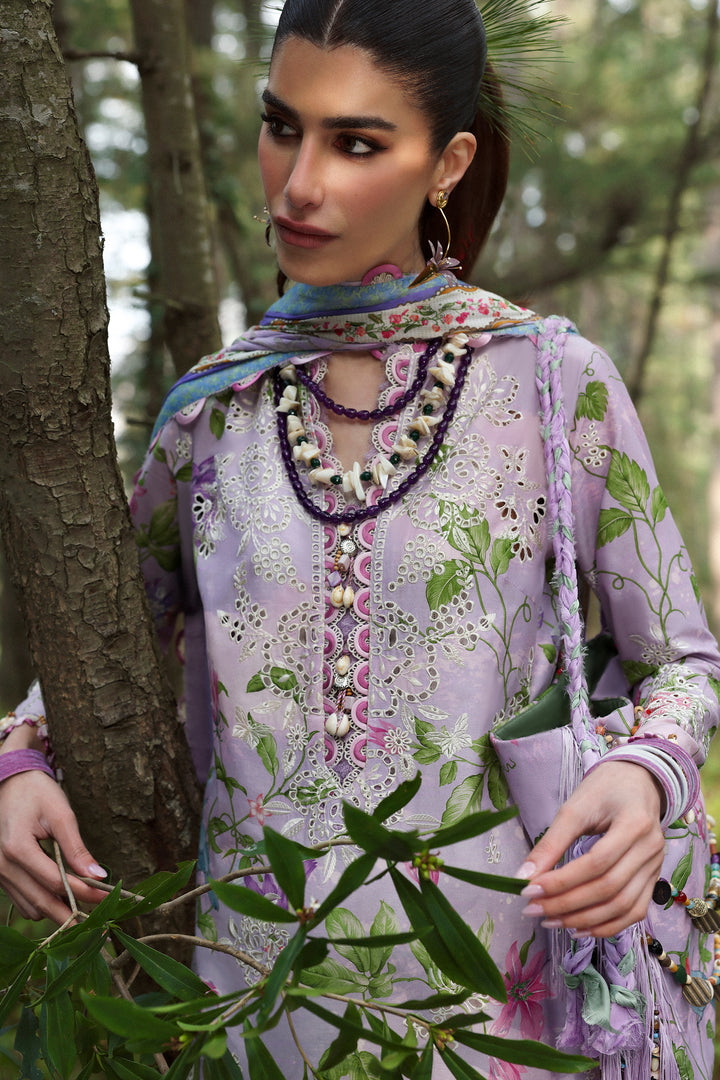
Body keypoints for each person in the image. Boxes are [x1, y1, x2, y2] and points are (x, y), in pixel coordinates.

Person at [0, 1, 718, 1077]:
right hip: (258, 991)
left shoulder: (552, 380)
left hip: (500, 988)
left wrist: (644, 776)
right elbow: (103, 645)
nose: (299, 183)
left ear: (448, 163)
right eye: (282, 126)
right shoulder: (215, 411)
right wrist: (20, 762)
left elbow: (684, 663)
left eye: (357, 143)